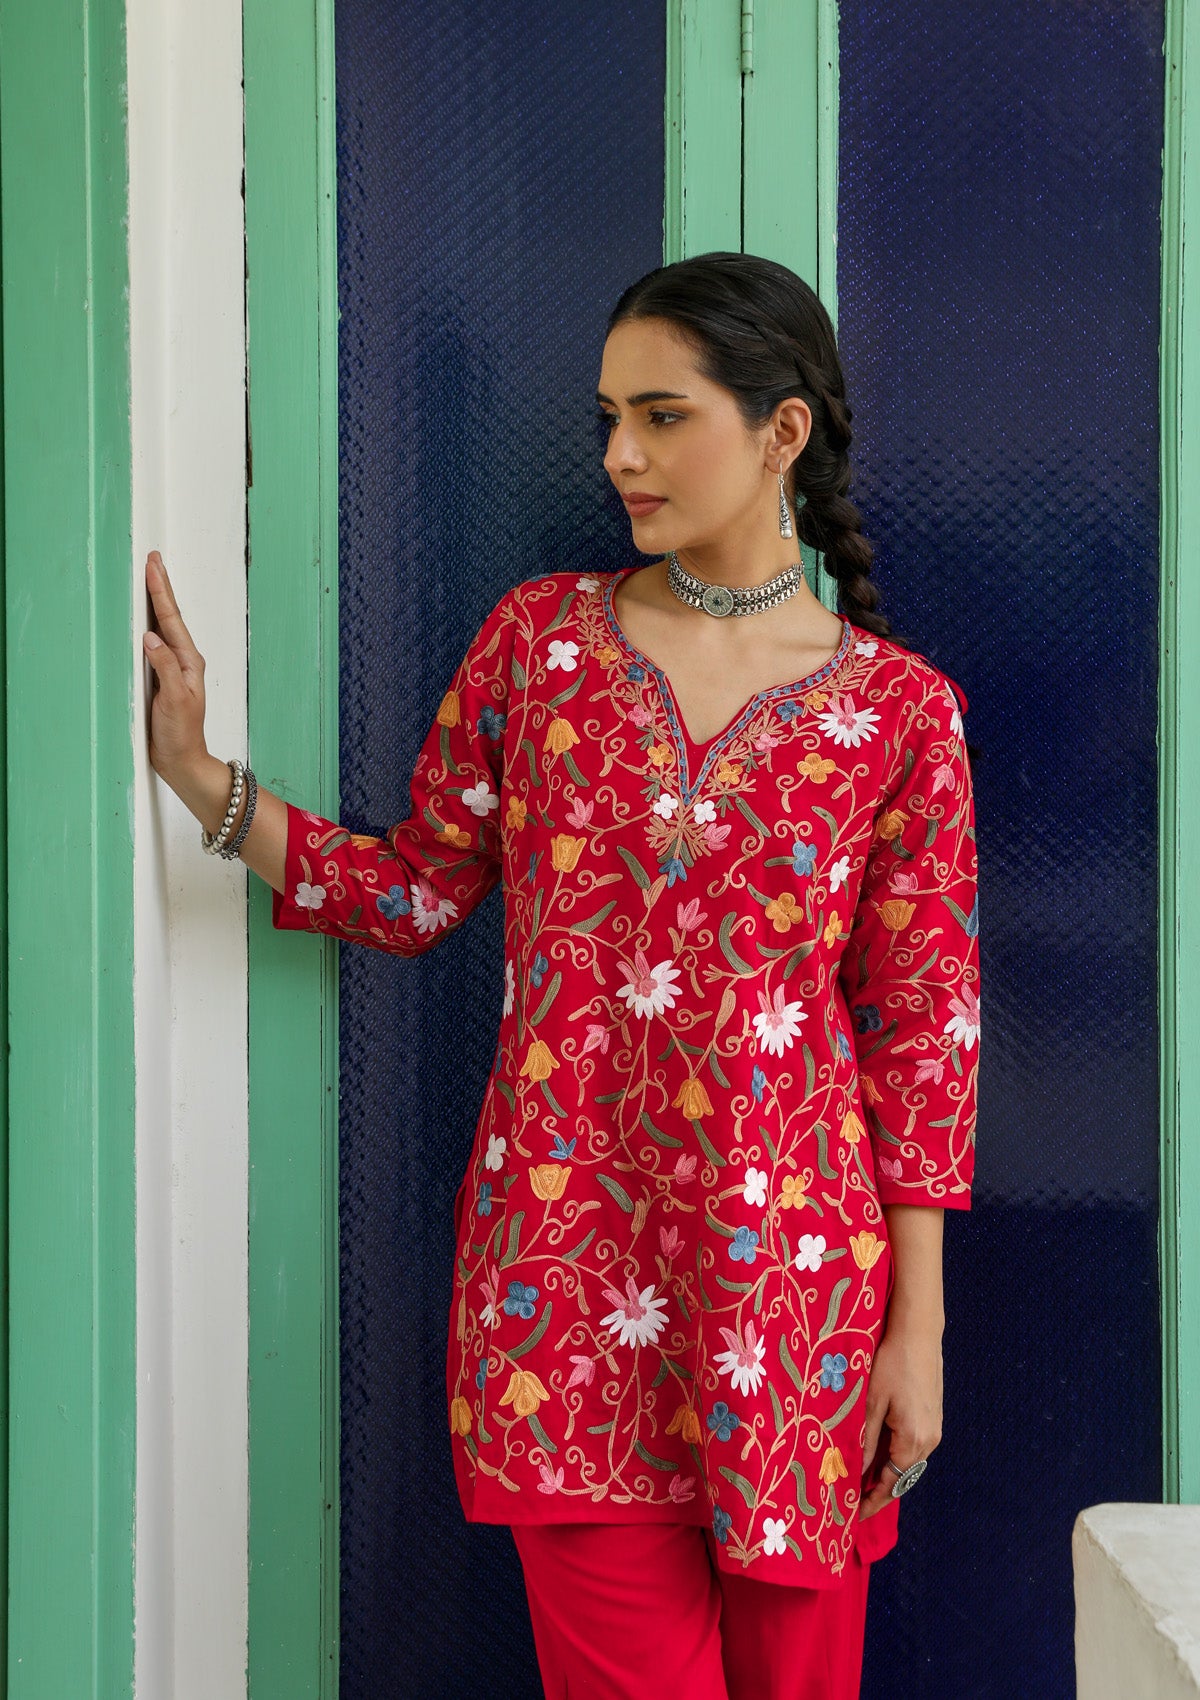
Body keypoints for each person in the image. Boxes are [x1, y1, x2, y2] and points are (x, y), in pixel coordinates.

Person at [143, 251, 980, 1700]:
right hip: (562, 1290)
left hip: (794, 1307)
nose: (617, 457)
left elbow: (924, 1039)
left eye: (661, 416)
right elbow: (413, 888)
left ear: (780, 432)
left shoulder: (901, 716)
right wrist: (203, 781)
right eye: (609, 418)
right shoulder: (539, 647)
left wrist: (921, 1331)